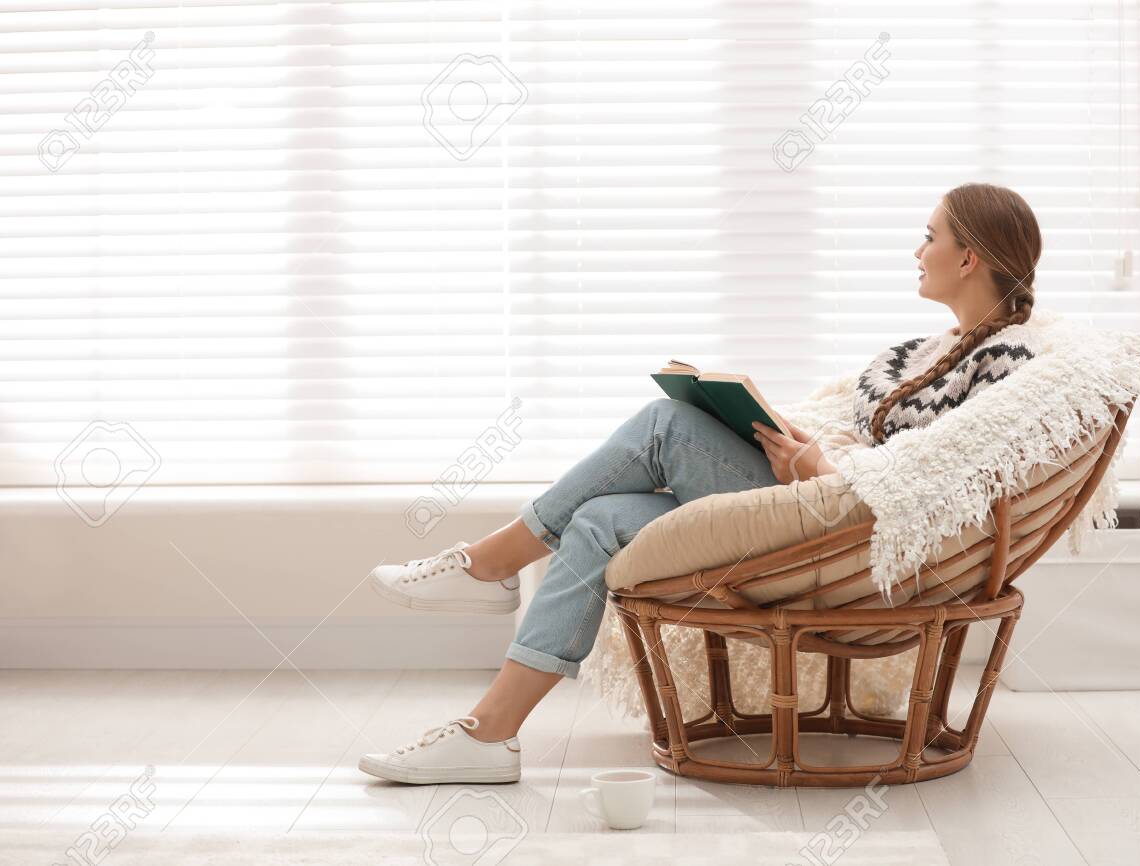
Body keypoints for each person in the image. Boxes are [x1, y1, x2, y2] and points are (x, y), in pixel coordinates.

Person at [357, 182, 1043, 785]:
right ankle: (490, 734)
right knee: (597, 520)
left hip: (856, 530)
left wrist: (821, 471)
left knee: (665, 423)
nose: (916, 250)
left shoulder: (1012, 362)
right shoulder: (907, 355)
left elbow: (942, 478)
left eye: (929, 237)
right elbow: (868, 446)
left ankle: (491, 564)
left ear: (968, 258)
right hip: (827, 501)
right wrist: (796, 446)